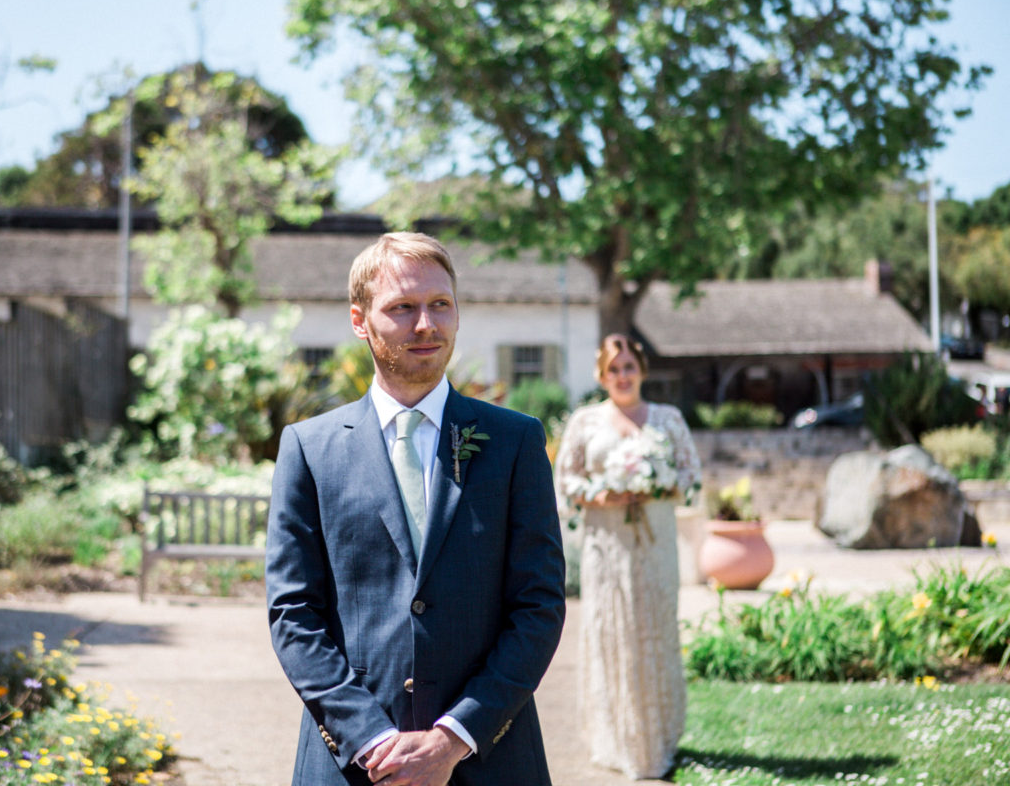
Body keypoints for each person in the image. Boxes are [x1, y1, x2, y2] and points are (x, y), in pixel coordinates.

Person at [265, 232, 567, 786]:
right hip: (353, 764)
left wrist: (454, 738)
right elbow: (294, 613)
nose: (426, 324)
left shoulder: (514, 441)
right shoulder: (309, 448)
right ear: (360, 321)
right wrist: (372, 741)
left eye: (440, 304)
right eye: (403, 308)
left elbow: (539, 605)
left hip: (490, 759)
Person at [552, 333, 701, 780]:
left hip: (655, 546)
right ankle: (615, 740)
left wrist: (652, 486)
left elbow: (691, 475)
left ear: (642, 371)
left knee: (653, 630)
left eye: (629, 367)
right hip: (606, 546)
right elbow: (566, 481)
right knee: (612, 632)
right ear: (601, 374)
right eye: (613, 369)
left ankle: (658, 740)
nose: (622, 376)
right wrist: (604, 493)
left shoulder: (668, 419)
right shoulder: (584, 421)